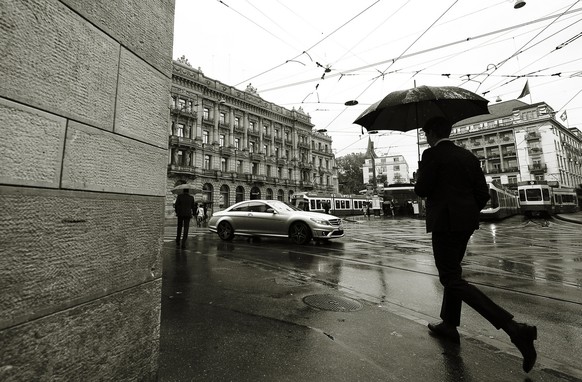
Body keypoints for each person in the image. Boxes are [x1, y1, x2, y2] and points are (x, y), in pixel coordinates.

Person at [414, 116, 537, 373]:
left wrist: (422, 171)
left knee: (450, 278)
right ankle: (449, 324)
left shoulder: (431, 155)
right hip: (465, 224)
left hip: (444, 224)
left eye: (426, 132)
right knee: (453, 273)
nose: (425, 136)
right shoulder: (468, 157)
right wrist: (468, 215)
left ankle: (515, 329)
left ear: (433, 133)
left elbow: (422, 190)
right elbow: (482, 193)